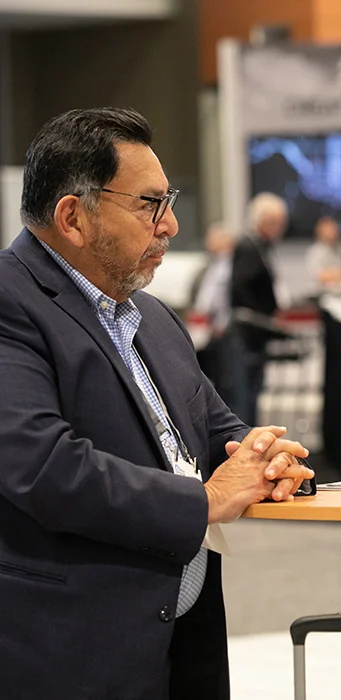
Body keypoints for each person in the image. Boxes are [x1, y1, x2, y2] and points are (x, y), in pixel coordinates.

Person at [0, 107, 314, 700]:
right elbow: (40, 463)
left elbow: (219, 429)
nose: (169, 225)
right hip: (67, 651)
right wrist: (206, 498)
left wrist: (267, 455)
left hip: (179, 635)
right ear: (74, 217)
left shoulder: (153, 317)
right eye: (149, 205)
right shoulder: (11, 302)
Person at [229, 192, 288, 426]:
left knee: (252, 395)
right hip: (248, 334)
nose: (281, 228)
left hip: (256, 332)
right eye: (277, 222)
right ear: (263, 221)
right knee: (245, 398)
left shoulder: (260, 247)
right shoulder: (248, 247)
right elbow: (240, 290)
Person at [188, 221, 236, 404]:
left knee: (224, 382)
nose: (208, 242)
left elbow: (219, 300)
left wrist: (221, 324)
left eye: (213, 238)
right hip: (206, 330)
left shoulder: (227, 266)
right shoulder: (210, 265)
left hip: (221, 331)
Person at [305, 216, 341, 296]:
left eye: (335, 229)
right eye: (330, 230)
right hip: (320, 295)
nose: (334, 232)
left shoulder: (337, 249)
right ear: (321, 231)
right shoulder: (316, 251)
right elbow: (320, 275)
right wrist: (338, 273)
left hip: (336, 293)